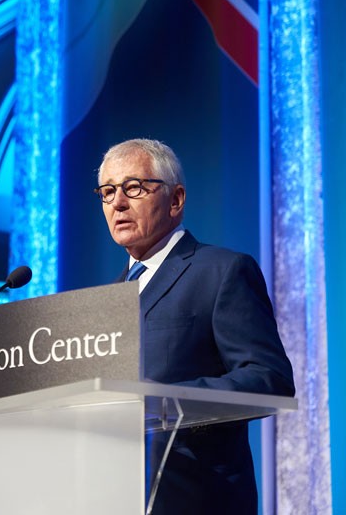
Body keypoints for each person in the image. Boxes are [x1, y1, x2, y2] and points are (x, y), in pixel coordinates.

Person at [94, 138, 295, 514]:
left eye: (133, 187)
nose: (117, 202)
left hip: (196, 497)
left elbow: (270, 379)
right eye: (107, 192)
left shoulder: (222, 271)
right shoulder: (108, 298)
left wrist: (168, 399)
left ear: (176, 200)